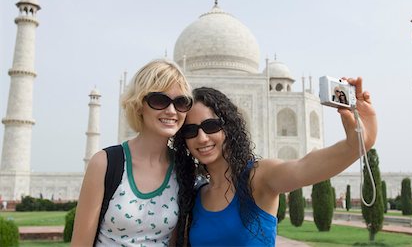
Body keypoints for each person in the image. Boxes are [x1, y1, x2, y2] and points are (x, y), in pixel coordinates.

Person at [173, 77, 377, 246]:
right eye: (190, 131)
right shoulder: (196, 194)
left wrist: (356, 145)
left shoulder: (257, 178)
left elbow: (304, 167)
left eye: (211, 126)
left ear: (229, 128)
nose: (201, 138)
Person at [71, 59, 193, 247]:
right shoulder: (106, 164)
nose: (171, 110)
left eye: (181, 102)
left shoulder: (182, 168)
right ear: (138, 105)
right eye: (159, 100)